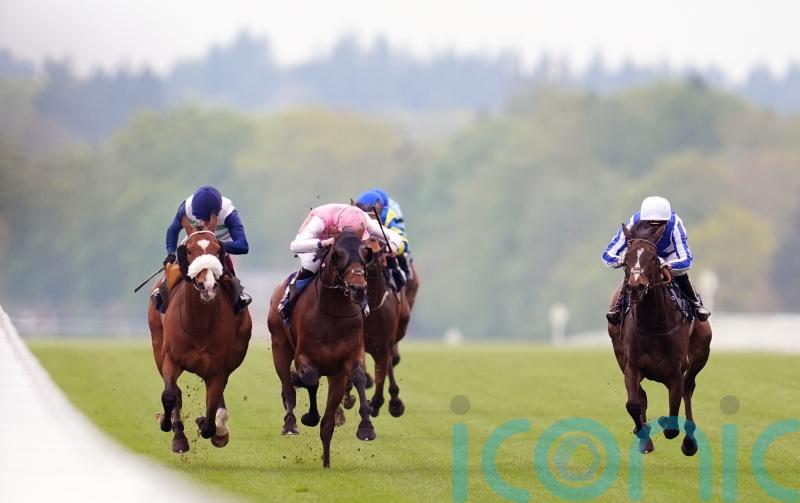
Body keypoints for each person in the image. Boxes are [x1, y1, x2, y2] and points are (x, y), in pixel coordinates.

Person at [277, 203, 405, 322]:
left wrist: (393, 246)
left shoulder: (363, 220)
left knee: (355, 265)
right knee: (312, 265)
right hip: (313, 240)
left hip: (339, 241)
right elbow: (294, 246)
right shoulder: (319, 222)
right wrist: (323, 243)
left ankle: (360, 298)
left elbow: (395, 236)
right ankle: (288, 298)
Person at [602, 196, 710, 324]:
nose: (654, 227)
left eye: (660, 223)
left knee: (681, 274)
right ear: (643, 219)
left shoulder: (675, 224)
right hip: (642, 258)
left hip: (668, 257)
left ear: (667, 221)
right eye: (649, 223)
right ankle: (618, 308)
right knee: (633, 274)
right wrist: (622, 260)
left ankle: (695, 304)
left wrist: (665, 265)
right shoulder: (634, 222)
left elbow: (686, 260)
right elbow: (608, 255)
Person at [152, 185, 252, 314]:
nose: (203, 223)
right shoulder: (186, 207)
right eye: (199, 218)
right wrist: (170, 253)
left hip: (218, 247)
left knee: (228, 276)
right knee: (174, 267)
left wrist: (215, 246)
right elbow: (173, 230)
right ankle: (162, 293)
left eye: (206, 219)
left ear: (217, 212)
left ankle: (238, 299)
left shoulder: (228, 213)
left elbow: (243, 245)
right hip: (194, 244)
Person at [355, 189, 412, 289]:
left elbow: (403, 241)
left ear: (380, 211)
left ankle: (401, 276)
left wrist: (393, 248)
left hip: (384, 248)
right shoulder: (353, 216)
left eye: (372, 214)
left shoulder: (387, 216)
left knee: (393, 260)